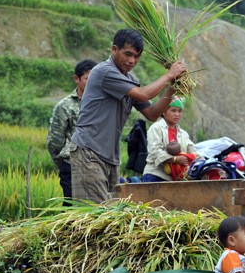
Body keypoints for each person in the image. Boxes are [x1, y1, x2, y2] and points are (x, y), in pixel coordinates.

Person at [70, 29, 187, 203]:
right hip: (89, 152)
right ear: (114, 49)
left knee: (110, 217)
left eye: (137, 57)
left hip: (110, 157)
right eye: (128, 54)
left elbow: (152, 114)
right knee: (95, 215)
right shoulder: (104, 72)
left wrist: (172, 86)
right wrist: (169, 74)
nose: (132, 61)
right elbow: (143, 95)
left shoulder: (129, 79)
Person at [47, 59, 97, 202]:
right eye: (88, 78)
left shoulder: (101, 103)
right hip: (71, 165)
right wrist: (62, 163)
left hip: (97, 165)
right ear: (77, 79)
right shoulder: (65, 106)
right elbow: (55, 140)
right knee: (72, 208)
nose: (92, 82)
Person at [141, 96, 198, 182]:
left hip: (175, 179)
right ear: (164, 112)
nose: (177, 114)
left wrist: (204, 162)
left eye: (180, 111)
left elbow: (193, 151)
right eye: (173, 110)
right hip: (155, 175)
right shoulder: (156, 128)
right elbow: (155, 152)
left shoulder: (183, 134)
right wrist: (175, 159)